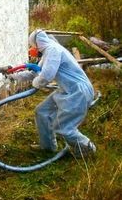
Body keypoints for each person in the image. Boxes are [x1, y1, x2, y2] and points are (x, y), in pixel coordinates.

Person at [10, 29, 96, 157]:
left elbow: (46, 76)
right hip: (67, 90)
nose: (33, 50)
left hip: (78, 92)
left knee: (63, 127)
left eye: (33, 46)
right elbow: (35, 72)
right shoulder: (47, 53)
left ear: (38, 43)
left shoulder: (53, 50)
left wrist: (36, 84)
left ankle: (88, 149)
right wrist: (13, 76)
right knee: (42, 112)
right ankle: (48, 147)